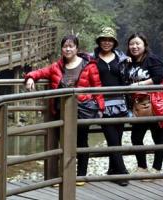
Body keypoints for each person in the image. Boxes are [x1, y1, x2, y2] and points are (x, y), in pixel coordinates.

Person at [25, 35, 105, 186]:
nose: (68, 49)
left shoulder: (88, 65)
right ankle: (65, 176)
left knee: (81, 142)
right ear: (61, 49)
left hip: (82, 110)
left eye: (71, 46)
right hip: (61, 111)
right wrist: (30, 77)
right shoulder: (57, 66)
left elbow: (97, 87)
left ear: (77, 48)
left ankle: (80, 176)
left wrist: (100, 106)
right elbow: (40, 72)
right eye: (65, 46)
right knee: (64, 144)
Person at [125, 32, 163, 177]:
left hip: (153, 104)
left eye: (137, 43)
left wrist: (139, 84)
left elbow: (158, 76)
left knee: (158, 137)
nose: (134, 46)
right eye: (131, 44)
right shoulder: (130, 62)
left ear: (144, 45)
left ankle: (156, 169)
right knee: (136, 137)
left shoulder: (152, 59)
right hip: (138, 105)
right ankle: (142, 167)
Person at [93, 27, 129, 186]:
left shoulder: (121, 58)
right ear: (99, 41)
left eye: (110, 40)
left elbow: (128, 77)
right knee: (112, 139)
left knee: (117, 139)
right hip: (102, 105)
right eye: (103, 39)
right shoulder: (92, 58)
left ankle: (111, 170)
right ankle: (122, 172)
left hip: (120, 104)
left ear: (114, 42)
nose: (106, 42)